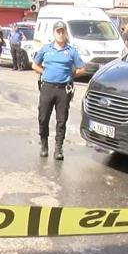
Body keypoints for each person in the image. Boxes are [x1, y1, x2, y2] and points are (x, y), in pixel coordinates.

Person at [32, 21, 84, 160]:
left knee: (61, 121)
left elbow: (81, 68)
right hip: (47, 88)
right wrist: (45, 72)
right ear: (54, 33)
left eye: (62, 31)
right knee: (43, 118)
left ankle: (58, 148)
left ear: (65, 33)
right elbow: (34, 65)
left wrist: (69, 75)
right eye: (58, 31)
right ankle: (44, 145)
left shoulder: (71, 51)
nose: (60, 34)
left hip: (63, 90)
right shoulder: (45, 49)